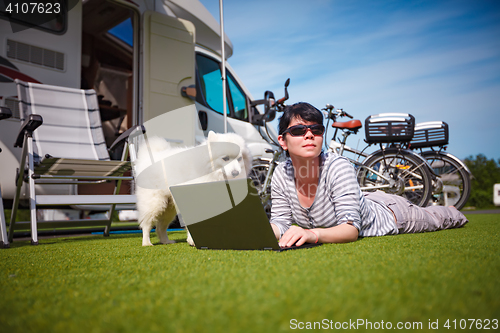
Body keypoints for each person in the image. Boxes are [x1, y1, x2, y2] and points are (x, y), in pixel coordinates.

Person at [269, 102, 468, 247]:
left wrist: (311, 234)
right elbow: (281, 222)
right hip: (363, 201)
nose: (309, 134)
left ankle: (450, 210)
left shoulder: (338, 166)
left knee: (436, 218)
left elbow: (350, 230)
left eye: (316, 129)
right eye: (298, 130)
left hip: (392, 214)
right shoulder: (280, 173)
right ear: (282, 141)